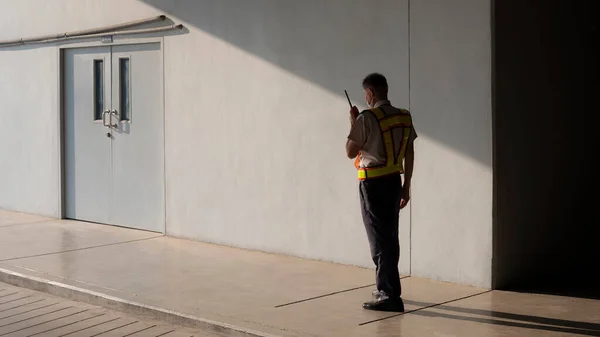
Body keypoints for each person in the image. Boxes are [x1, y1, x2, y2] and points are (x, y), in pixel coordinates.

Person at [346, 73, 417, 312]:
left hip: (373, 185)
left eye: (365, 93)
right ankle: (387, 287)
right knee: (390, 237)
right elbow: (409, 153)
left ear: (370, 93)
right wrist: (406, 185)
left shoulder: (367, 118)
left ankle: (389, 295)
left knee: (379, 239)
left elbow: (349, 151)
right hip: (394, 182)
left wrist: (353, 123)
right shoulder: (403, 116)